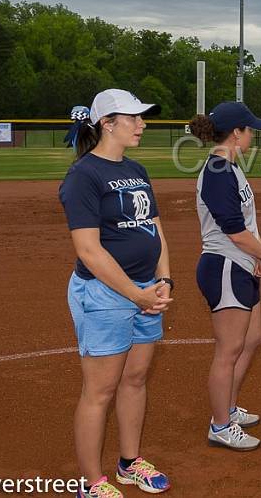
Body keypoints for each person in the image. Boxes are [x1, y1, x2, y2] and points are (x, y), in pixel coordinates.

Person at [58, 89, 172, 498]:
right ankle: (91, 483)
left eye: (142, 118)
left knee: (136, 379)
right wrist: (136, 295)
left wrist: (164, 281)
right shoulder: (84, 176)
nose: (142, 124)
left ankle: (129, 462)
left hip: (146, 290)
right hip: (105, 295)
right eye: (134, 118)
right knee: (100, 391)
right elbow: (89, 249)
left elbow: (154, 226)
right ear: (108, 123)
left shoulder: (137, 169)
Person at [191, 102, 261, 451]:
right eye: (250, 129)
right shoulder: (217, 171)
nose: (252, 135)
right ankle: (220, 425)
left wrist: (256, 254)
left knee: (251, 339)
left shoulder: (231, 169)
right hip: (225, 265)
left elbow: (244, 228)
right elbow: (234, 231)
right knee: (228, 350)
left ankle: (228, 409)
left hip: (240, 264)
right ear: (236, 133)